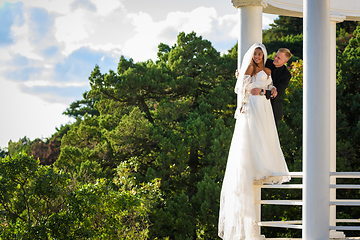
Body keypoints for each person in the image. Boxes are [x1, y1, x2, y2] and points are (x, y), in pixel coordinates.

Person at [218, 43, 290, 240]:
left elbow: (273, 86)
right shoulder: (250, 67)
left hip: (265, 107)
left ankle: (266, 164)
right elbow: (243, 87)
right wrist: (248, 85)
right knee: (254, 134)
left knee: (265, 136)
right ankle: (255, 166)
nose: (259, 56)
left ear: (284, 61)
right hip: (254, 105)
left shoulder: (269, 70)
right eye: (256, 53)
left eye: (261, 53)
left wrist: (271, 89)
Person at [250, 48, 292, 128]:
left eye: (278, 58)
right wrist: (240, 74)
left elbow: (278, 93)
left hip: (273, 110)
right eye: (276, 55)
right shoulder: (267, 62)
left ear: (285, 62)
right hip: (258, 105)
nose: (275, 58)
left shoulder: (286, 75)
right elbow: (252, 67)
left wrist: (263, 91)